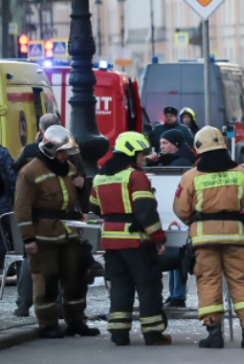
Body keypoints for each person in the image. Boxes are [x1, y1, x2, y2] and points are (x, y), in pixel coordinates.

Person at [173, 126, 244, 349]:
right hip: (234, 237)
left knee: (208, 281)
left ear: (198, 149)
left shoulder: (191, 176)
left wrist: (196, 221)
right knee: (240, 280)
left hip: (204, 239)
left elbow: (181, 210)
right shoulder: (240, 172)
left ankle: (214, 333)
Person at [14, 125, 100, 339]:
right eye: (63, 152)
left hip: (69, 232)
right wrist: (28, 239)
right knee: (46, 280)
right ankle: (47, 323)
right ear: (51, 149)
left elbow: (79, 200)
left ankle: (75, 321)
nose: (66, 156)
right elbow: (22, 208)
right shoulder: (30, 171)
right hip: (44, 235)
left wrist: (81, 187)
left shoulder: (68, 167)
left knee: (75, 279)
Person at [90, 132, 171, 346]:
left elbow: (94, 207)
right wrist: (158, 237)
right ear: (131, 153)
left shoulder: (100, 176)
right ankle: (153, 333)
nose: (144, 158)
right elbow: (145, 212)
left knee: (120, 287)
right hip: (136, 242)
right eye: (141, 154)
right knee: (148, 286)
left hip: (110, 241)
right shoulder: (135, 176)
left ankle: (119, 333)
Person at [145, 129, 195, 309]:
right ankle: (175, 294)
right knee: (174, 254)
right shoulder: (172, 159)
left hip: (177, 213)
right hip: (173, 212)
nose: (161, 147)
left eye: (165, 143)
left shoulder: (182, 162)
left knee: (178, 255)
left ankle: (178, 295)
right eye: (160, 144)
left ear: (176, 144)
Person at [0, 131, 16, 271]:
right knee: (6, 233)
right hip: (2, 201)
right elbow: (11, 177)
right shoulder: (3, 154)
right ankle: (8, 266)